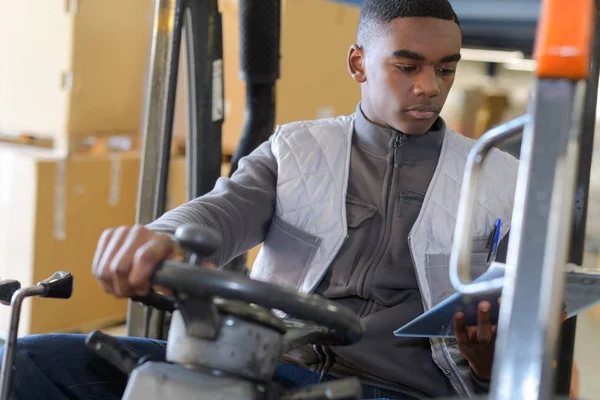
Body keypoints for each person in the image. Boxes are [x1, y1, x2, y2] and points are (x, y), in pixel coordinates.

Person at [0, 0, 577, 399]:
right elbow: (220, 212)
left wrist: (486, 359)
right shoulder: (298, 150)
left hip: (400, 390)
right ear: (359, 63)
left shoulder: (500, 178)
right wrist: (162, 237)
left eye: (445, 69)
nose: (429, 86)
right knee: (26, 363)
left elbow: (524, 343)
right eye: (408, 66)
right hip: (264, 367)